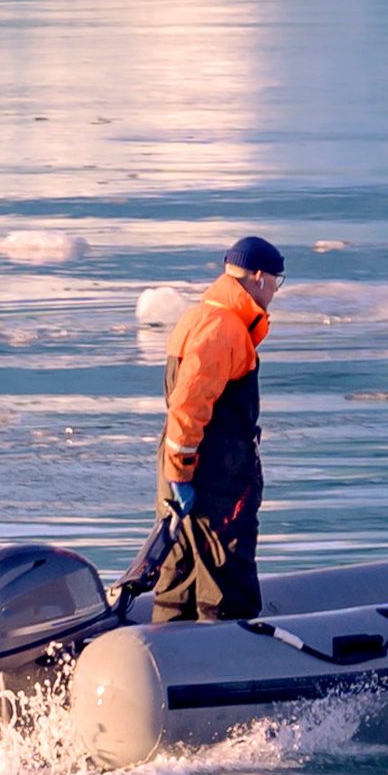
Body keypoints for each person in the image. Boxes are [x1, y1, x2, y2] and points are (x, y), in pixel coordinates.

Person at [136, 237, 282, 623]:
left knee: (179, 570)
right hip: (216, 476)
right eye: (276, 284)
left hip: (184, 467)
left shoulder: (199, 316)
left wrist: (176, 472)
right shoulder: (225, 328)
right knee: (226, 575)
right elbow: (189, 403)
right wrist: (184, 470)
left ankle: (167, 653)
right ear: (259, 277)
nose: (274, 294)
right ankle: (227, 662)